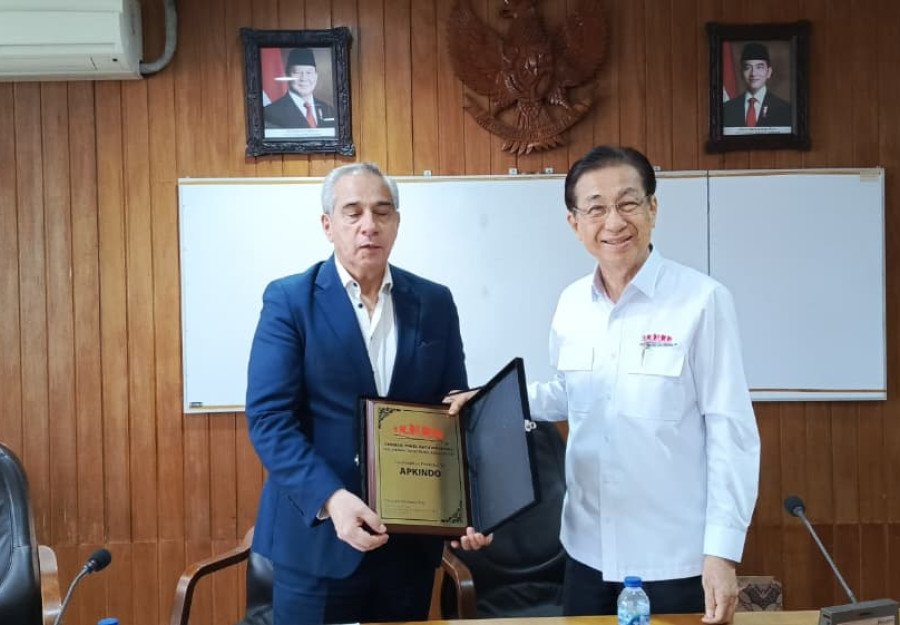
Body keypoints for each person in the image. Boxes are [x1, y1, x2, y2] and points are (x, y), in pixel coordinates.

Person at [448, 146, 760, 624]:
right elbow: (570, 393)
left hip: (672, 558)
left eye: (628, 203)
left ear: (653, 208)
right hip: (586, 552)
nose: (614, 222)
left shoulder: (702, 302)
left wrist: (721, 553)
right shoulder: (572, 304)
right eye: (596, 208)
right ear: (574, 223)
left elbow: (731, 432)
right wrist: (488, 399)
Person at [246, 162, 491, 625]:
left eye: (382, 212)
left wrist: (472, 508)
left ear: (396, 222)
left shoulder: (434, 302)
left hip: (409, 545)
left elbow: (452, 412)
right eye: (353, 212)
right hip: (317, 542)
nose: (369, 225)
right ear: (328, 224)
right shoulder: (290, 300)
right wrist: (332, 499)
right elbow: (269, 420)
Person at [723, 42, 792, 128]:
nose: (753, 73)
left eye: (759, 67)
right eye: (748, 67)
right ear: (741, 73)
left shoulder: (784, 110)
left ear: (768, 72)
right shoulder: (727, 108)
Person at [264, 48, 336, 129]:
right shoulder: (270, 113)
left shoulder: (328, 110)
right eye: (297, 72)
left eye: (309, 72)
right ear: (287, 75)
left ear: (316, 76)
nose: (304, 78)